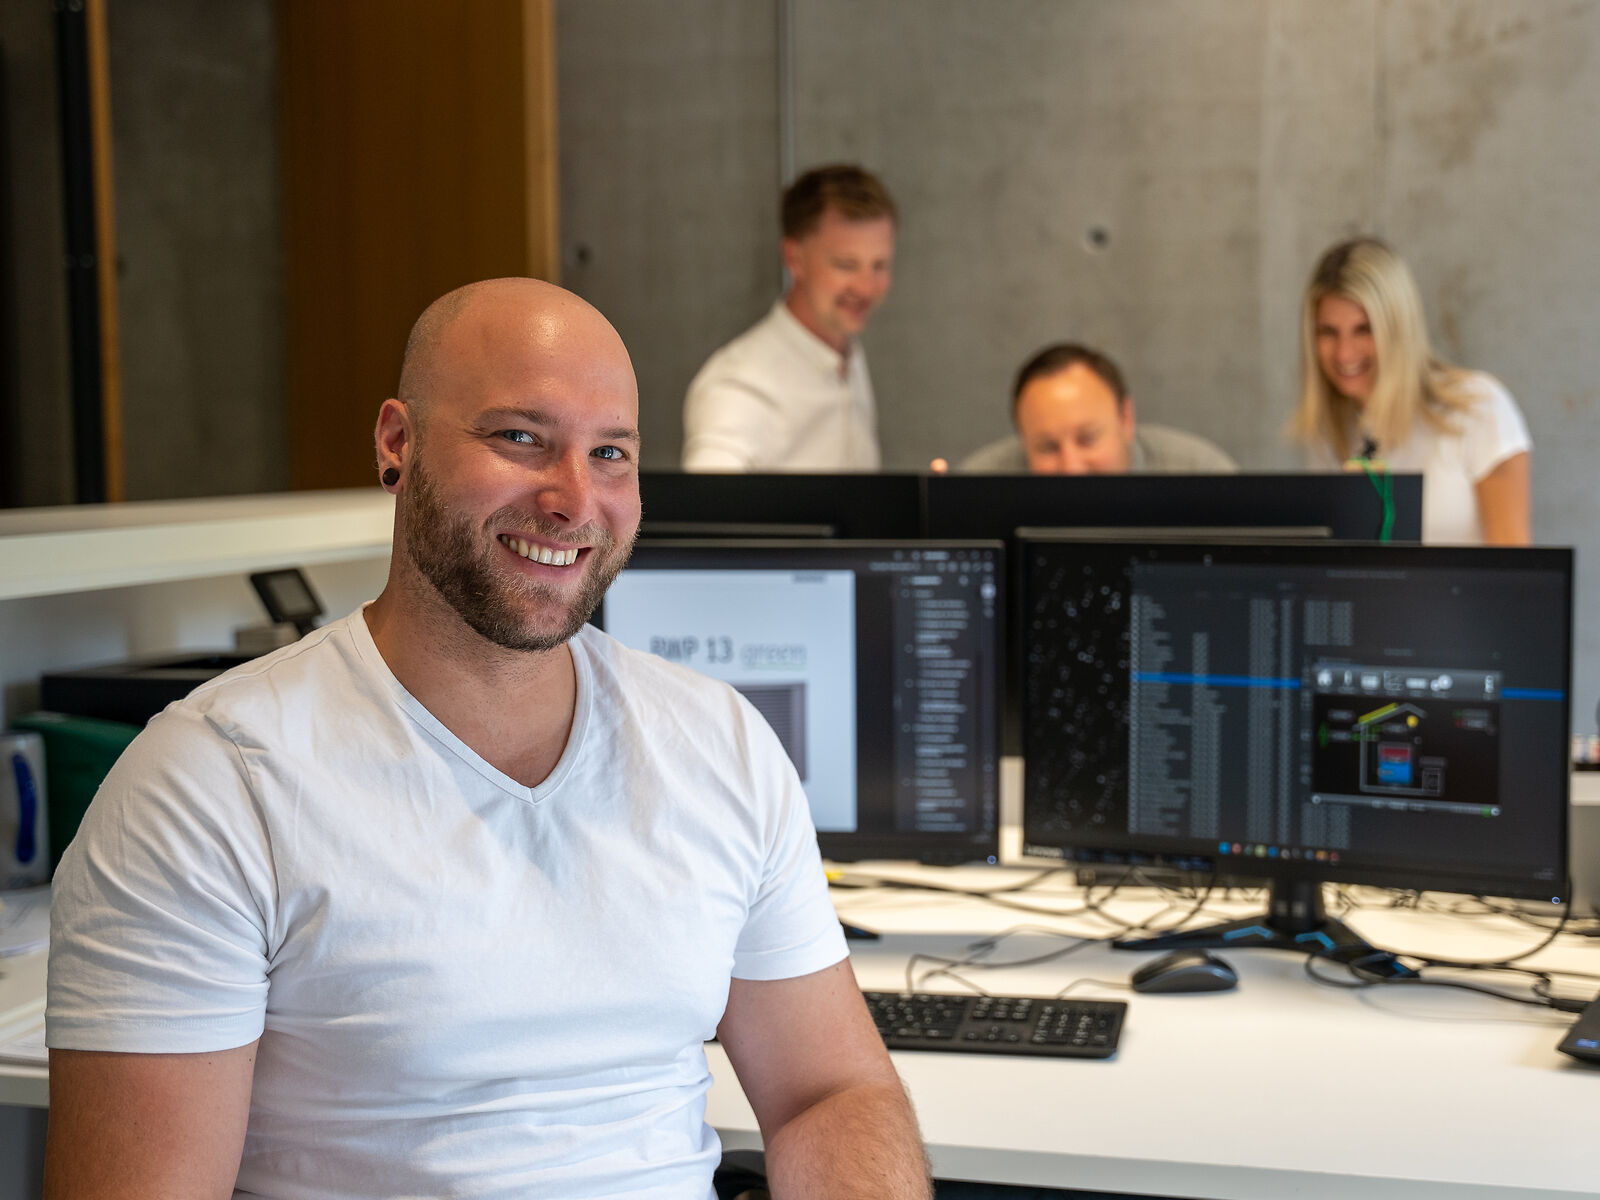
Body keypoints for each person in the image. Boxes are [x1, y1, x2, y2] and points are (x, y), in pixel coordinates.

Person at [44, 278, 932, 1200]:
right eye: (520, 438)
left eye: (612, 453)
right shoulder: (208, 786)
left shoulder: (721, 744)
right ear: (398, 443)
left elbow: (831, 1092)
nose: (573, 499)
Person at [1289, 236, 1532, 545]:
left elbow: (1515, 572)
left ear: (1398, 329)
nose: (1344, 354)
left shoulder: (1479, 408)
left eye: (1364, 329)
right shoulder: (1328, 433)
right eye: (1328, 332)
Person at [682, 164, 895, 471]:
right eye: (846, 265)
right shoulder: (738, 386)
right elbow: (710, 513)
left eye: (879, 265)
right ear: (794, 258)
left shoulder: (848, 353)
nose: (866, 288)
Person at [955, 343, 1237, 474]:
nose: (1072, 468)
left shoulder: (1200, 472)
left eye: (1088, 439)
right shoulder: (978, 483)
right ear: (1022, 439)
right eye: (1047, 447)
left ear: (1126, 419)